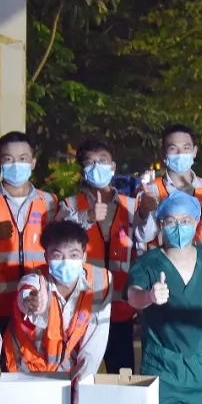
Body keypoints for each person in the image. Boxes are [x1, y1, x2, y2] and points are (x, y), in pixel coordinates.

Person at [60, 139, 158, 373]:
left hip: (120, 305)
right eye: (90, 162)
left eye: (102, 161)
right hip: (81, 305)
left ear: (113, 166)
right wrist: (87, 217)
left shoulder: (131, 204)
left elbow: (147, 235)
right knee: (80, 374)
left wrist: (146, 211)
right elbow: (61, 236)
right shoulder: (69, 204)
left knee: (121, 374)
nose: (97, 167)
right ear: (82, 169)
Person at [127, 191, 202, 404]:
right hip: (162, 367)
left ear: (196, 222)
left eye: (185, 220)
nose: (179, 227)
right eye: (171, 221)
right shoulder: (148, 263)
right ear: (161, 224)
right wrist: (149, 297)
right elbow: (133, 296)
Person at [4, 221, 111, 404]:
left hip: (70, 370)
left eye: (73, 255)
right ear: (46, 257)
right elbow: (26, 295)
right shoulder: (35, 281)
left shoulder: (101, 282)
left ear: (84, 255)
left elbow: (95, 341)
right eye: (57, 255)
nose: (65, 262)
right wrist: (31, 303)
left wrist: (82, 385)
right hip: (28, 370)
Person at [0, 131, 59, 335]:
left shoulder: (50, 202)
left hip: (38, 303)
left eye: (23, 159)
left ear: (33, 162)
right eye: (8, 159)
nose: (16, 165)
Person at [142, 124, 202, 252]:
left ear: (194, 151)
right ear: (163, 153)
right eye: (173, 148)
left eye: (186, 148)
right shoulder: (151, 190)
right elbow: (142, 236)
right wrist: (145, 210)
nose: (180, 153)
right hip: (165, 260)